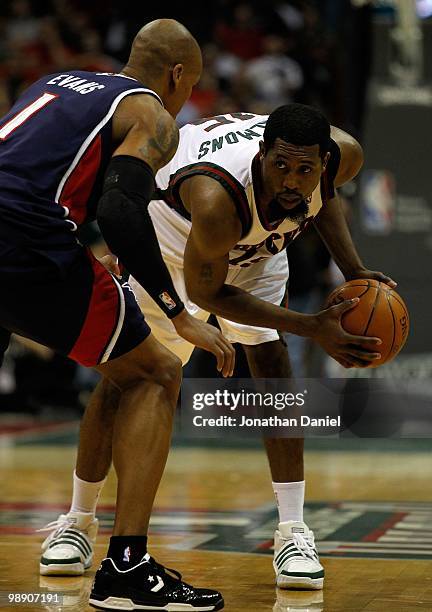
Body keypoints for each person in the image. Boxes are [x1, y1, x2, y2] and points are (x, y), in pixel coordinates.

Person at [39, 104, 395, 593]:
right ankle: (78, 521)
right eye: (281, 167)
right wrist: (315, 326)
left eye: (306, 170)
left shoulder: (341, 158)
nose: (292, 181)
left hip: (255, 244)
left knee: (271, 361)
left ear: (326, 162)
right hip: (174, 234)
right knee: (133, 375)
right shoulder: (215, 195)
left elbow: (323, 196)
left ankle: (293, 530)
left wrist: (353, 270)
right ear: (262, 154)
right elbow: (209, 294)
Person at [0, 19, 235, 612]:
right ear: (178, 74)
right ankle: (128, 568)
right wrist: (177, 313)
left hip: (17, 225)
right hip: (24, 243)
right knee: (155, 372)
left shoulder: (60, 80)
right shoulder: (152, 115)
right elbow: (121, 209)